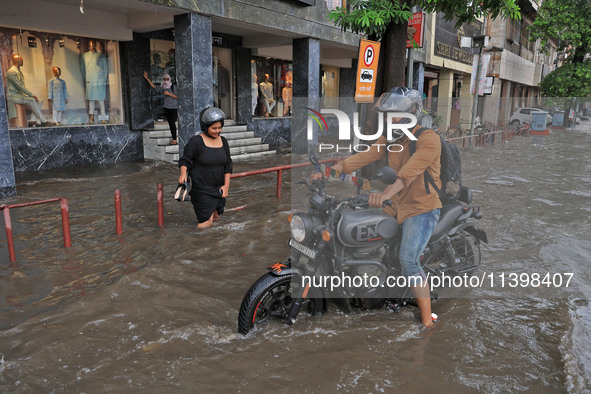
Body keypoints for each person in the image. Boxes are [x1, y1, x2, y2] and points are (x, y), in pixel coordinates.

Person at [311, 87, 442, 328]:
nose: (391, 121)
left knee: (409, 261)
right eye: (388, 116)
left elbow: (406, 176)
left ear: (412, 113)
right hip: (396, 206)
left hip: (421, 208)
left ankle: (427, 323)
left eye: (397, 116)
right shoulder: (392, 137)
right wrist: (331, 171)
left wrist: (382, 195)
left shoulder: (428, 139)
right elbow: (364, 156)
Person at [178, 107, 233, 229]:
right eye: (214, 128)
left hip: (218, 187)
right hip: (201, 187)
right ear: (205, 127)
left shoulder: (223, 141)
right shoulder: (196, 142)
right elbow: (185, 160)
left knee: (216, 217)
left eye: (219, 128)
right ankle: (195, 244)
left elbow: (228, 165)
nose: (217, 131)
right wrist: (183, 174)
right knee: (206, 221)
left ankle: (212, 245)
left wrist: (226, 186)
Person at [5, 54, 53, 127]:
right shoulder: (11, 71)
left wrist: (31, 95)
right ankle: (44, 121)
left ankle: (32, 121)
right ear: (17, 60)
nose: (23, 61)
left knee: (39, 101)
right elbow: (20, 86)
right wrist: (31, 95)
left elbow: (22, 87)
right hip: (13, 96)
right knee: (32, 100)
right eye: (22, 60)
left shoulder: (18, 71)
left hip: (19, 95)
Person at [143, 71, 178, 145]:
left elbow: (177, 97)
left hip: (174, 107)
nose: (166, 80)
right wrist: (146, 78)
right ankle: (174, 138)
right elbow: (154, 86)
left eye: (167, 79)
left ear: (170, 79)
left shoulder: (173, 87)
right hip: (166, 107)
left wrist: (169, 94)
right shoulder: (162, 87)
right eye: (164, 79)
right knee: (170, 123)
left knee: (172, 122)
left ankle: (174, 139)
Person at [80, 39, 108, 122]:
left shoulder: (101, 56)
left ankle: (103, 118)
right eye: (91, 44)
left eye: (94, 44)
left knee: (101, 100)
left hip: (99, 81)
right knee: (91, 100)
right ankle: (91, 118)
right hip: (90, 81)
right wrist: (87, 79)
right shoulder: (84, 56)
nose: (92, 46)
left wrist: (104, 79)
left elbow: (105, 69)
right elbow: (83, 69)